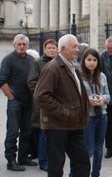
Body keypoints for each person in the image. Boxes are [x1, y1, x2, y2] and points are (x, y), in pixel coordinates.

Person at [34, 34, 90, 177]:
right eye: (74, 47)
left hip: (74, 125)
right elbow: (41, 96)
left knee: (82, 162)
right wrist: (65, 113)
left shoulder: (74, 68)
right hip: (57, 126)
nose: (78, 50)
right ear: (63, 49)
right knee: (56, 166)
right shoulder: (52, 68)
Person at [0, 34, 35, 171]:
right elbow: (2, 81)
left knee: (27, 131)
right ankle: (11, 160)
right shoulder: (8, 60)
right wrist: (11, 98)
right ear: (14, 45)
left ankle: (23, 157)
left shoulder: (32, 60)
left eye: (24, 44)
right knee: (13, 132)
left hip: (29, 101)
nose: (21, 46)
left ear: (27, 45)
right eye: (19, 44)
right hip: (15, 102)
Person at [27, 39, 58, 172]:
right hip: (43, 105)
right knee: (44, 132)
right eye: (49, 48)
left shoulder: (59, 62)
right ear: (44, 50)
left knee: (55, 133)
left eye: (54, 47)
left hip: (58, 104)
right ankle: (43, 161)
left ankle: (52, 158)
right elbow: (31, 82)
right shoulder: (37, 63)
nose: (51, 50)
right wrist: (42, 97)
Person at [81, 49, 110, 177]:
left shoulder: (102, 76)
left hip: (102, 116)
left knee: (99, 149)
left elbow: (108, 95)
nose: (92, 63)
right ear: (84, 61)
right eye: (89, 60)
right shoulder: (79, 76)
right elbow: (75, 97)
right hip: (88, 117)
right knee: (88, 150)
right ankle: (79, 173)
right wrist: (88, 100)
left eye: (94, 60)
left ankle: (95, 174)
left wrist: (103, 99)